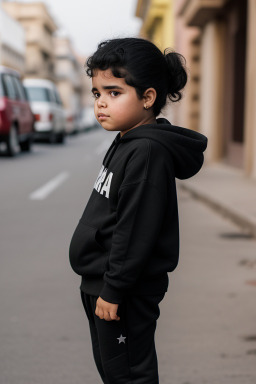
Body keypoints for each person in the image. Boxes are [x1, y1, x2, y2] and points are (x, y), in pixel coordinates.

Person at [69, 37, 208, 384]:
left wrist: (113, 289)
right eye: (97, 93)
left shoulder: (146, 152)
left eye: (114, 93)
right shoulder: (126, 141)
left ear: (147, 98)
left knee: (130, 375)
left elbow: (134, 230)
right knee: (116, 372)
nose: (101, 103)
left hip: (122, 292)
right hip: (102, 284)